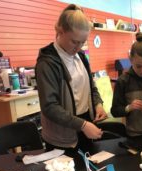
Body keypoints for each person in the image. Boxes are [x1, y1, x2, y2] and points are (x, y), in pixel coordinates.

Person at [36, 4, 107, 151]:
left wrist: (98, 104)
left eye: (82, 42)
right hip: (62, 135)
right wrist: (82, 125)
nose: (78, 47)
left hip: (85, 125)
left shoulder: (81, 56)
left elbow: (91, 87)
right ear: (60, 31)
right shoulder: (47, 63)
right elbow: (49, 107)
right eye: (74, 41)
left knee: (91, 170)